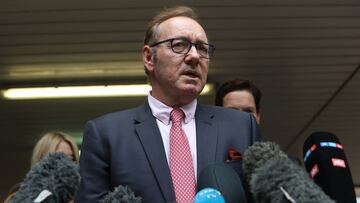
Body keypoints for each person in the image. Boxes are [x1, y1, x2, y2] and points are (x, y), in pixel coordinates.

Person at [76, 6, 260, 203]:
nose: (195, 56)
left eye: (202, 48)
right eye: (179, 45)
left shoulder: (241, 126)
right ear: (149, 58)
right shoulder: (106, 134)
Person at [4, 131, 79, 203]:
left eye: (71, 158)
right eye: (58, 158)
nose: (66, 164)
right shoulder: (20, 199)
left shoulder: (84, 197)